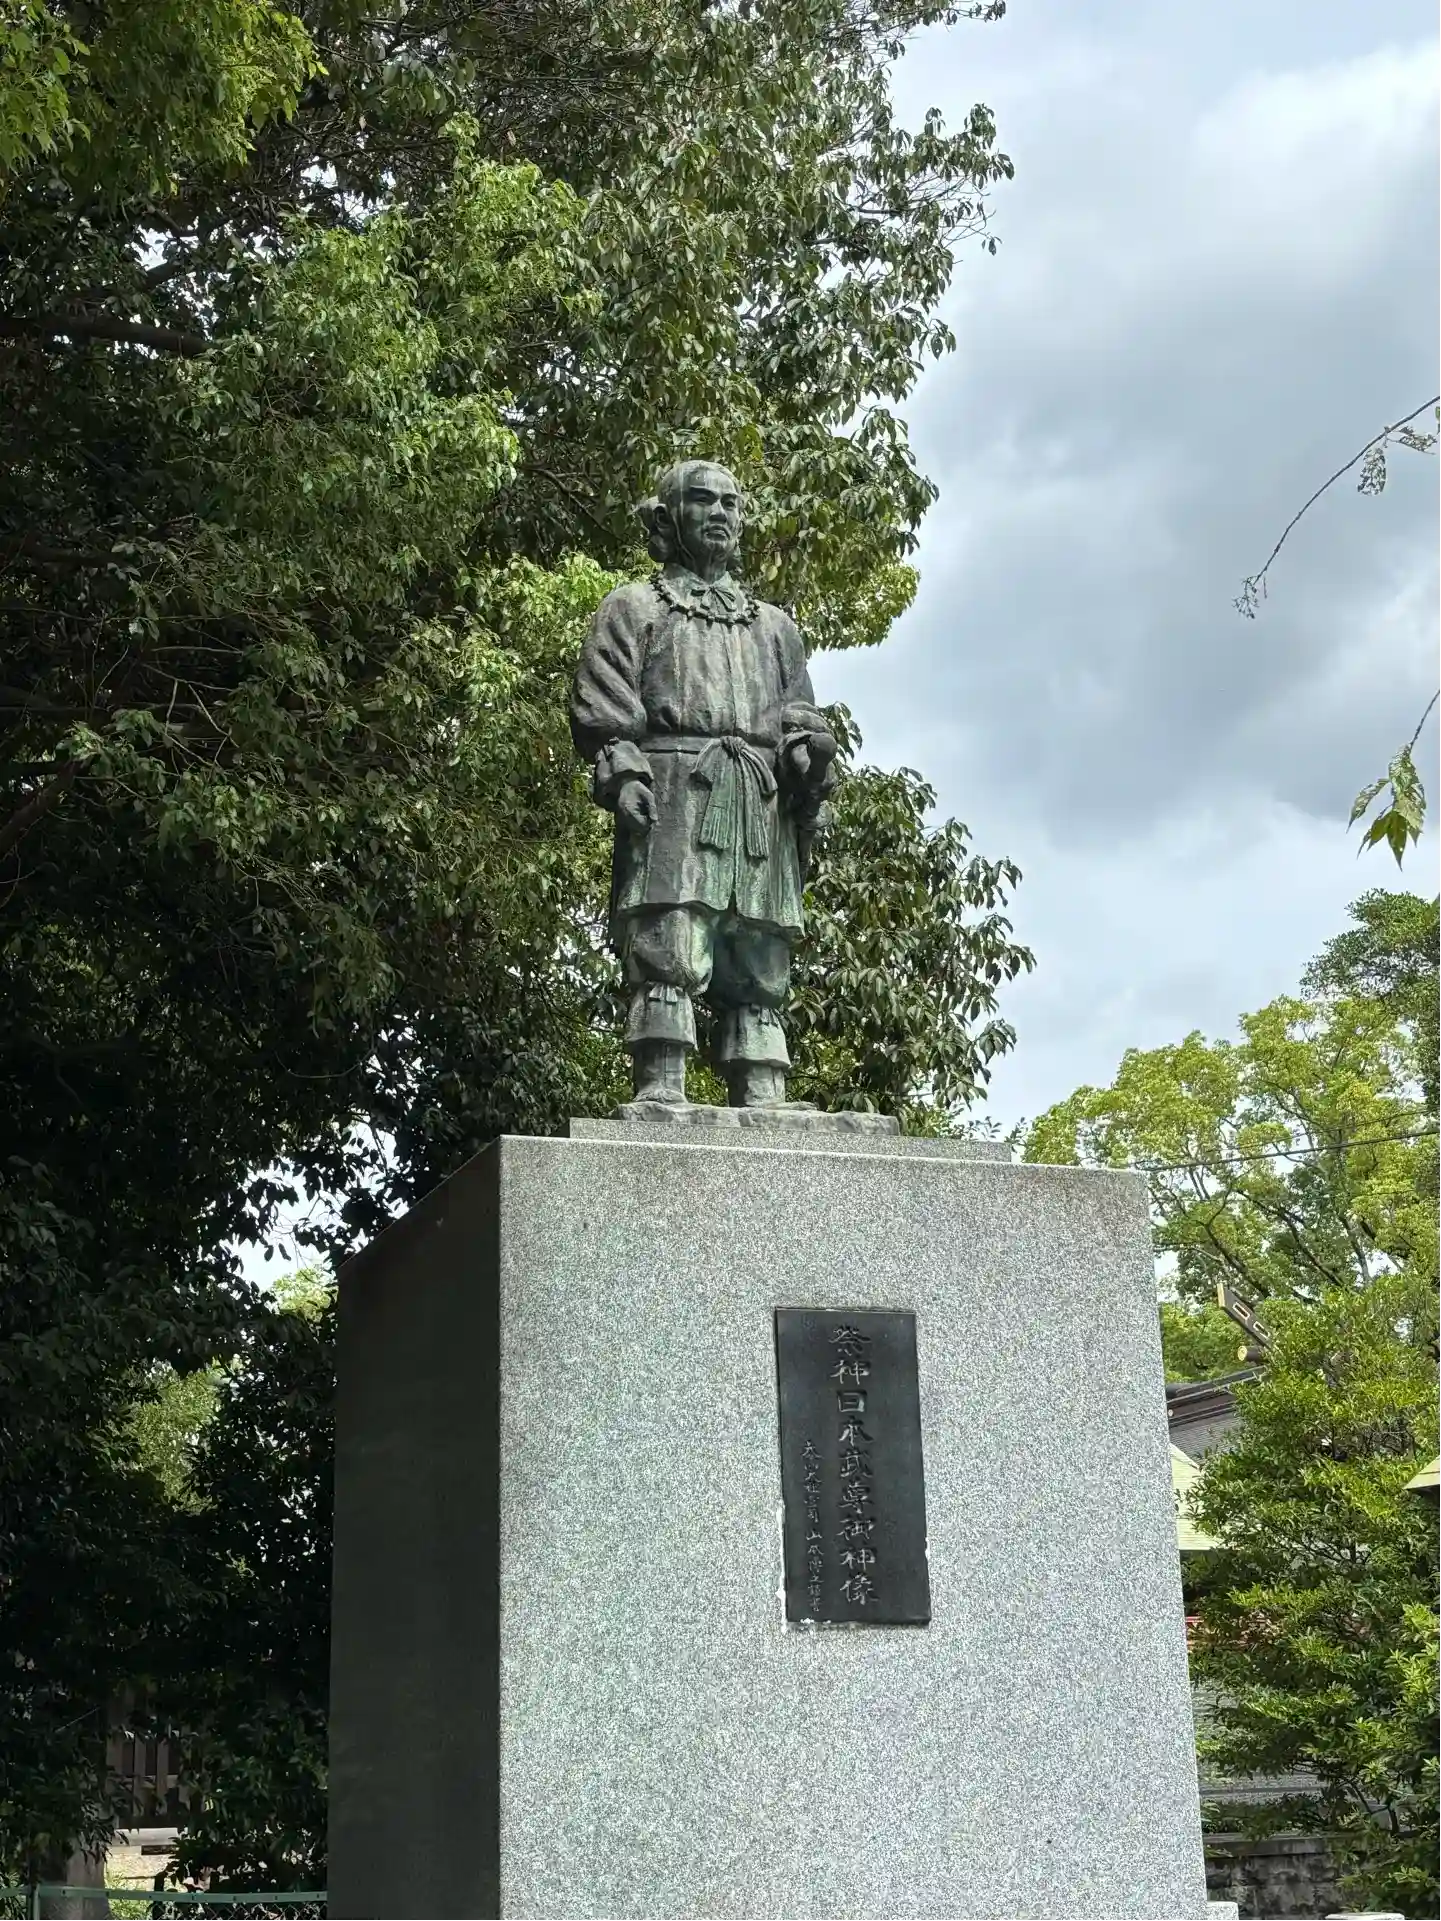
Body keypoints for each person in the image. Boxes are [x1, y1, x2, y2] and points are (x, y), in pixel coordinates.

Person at [570, 459, 838, 1109]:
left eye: (730, 502)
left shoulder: (775, 627)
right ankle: (661, 1081)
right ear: (669, 518)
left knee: (759, 947)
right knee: (671, 932)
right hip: (675, 789)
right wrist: (623, 773)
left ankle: (763, 1088)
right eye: (702, 499)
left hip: (760, 799)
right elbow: (603, 710)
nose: (719, 512)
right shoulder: (633, 607)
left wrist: (810, 755)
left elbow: (798, 717)